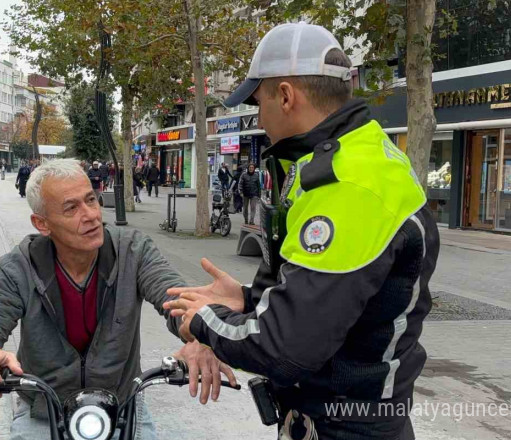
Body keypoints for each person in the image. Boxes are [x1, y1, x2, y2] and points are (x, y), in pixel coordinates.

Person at [164, 22, 439, 440]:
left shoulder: (348, 186)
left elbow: (286, 350)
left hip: (346, 427)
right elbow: (335, 297)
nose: (259, 116)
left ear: (287, 96)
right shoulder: (357, 156)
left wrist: (202, 320)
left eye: (260, 101)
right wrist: (248, 298)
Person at [0, 159, 235, 440]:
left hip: (122, 406)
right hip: (44, 410)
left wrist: (202, 335)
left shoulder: (134, 251)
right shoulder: (18, 267)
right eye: (71, 208)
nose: (90, 214)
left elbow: (176, 298)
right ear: (42, 223)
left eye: (91, 199)